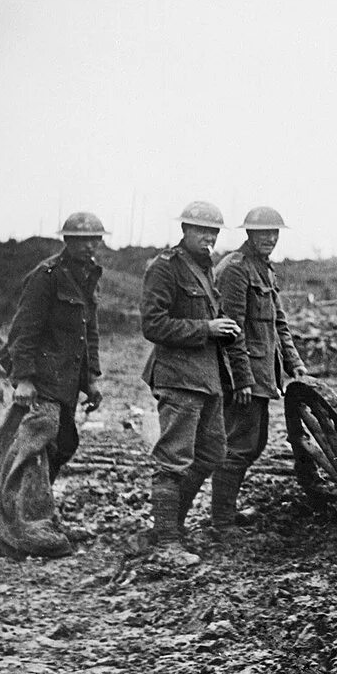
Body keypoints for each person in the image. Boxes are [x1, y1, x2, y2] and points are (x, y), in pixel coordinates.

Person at [0, 212, 107, 557]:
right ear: (66, 241)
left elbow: (89, 334)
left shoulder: (88, 276)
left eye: (95, 239)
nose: (90, 245)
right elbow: (23, 331)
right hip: (41, 379)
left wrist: (92, 379)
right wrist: (23, 379)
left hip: (66, 379)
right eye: (82, 239)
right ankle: (23, 529)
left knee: (64, 443)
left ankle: (24, 515)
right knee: (30, 451)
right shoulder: (46, 276)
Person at [140, 200, 238, 566]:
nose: (208, 237)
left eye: (213, 232)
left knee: (212, 453)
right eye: (201, 230)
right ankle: (166, 542)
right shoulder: (165, 268)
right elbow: (153, 325)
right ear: (184, 231)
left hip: (207, 377)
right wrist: (206, 329)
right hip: (178, 377)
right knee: (173, 460)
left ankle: (169, 526)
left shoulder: (206, 269)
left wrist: (222, 329)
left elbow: (208, 318)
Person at [211, 206, 307, 532]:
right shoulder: (235, 270)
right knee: (239, 445)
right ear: (249, 233)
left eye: (274, 233)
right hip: (245, 377)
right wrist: (241, 380)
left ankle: (226, 512)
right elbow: (231, 330)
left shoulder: (264, 269)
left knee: (254, 443)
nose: (269, 238)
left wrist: (295, 364)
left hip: (263, 374)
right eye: (262, 232)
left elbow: (279, 323)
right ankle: (222, 521)